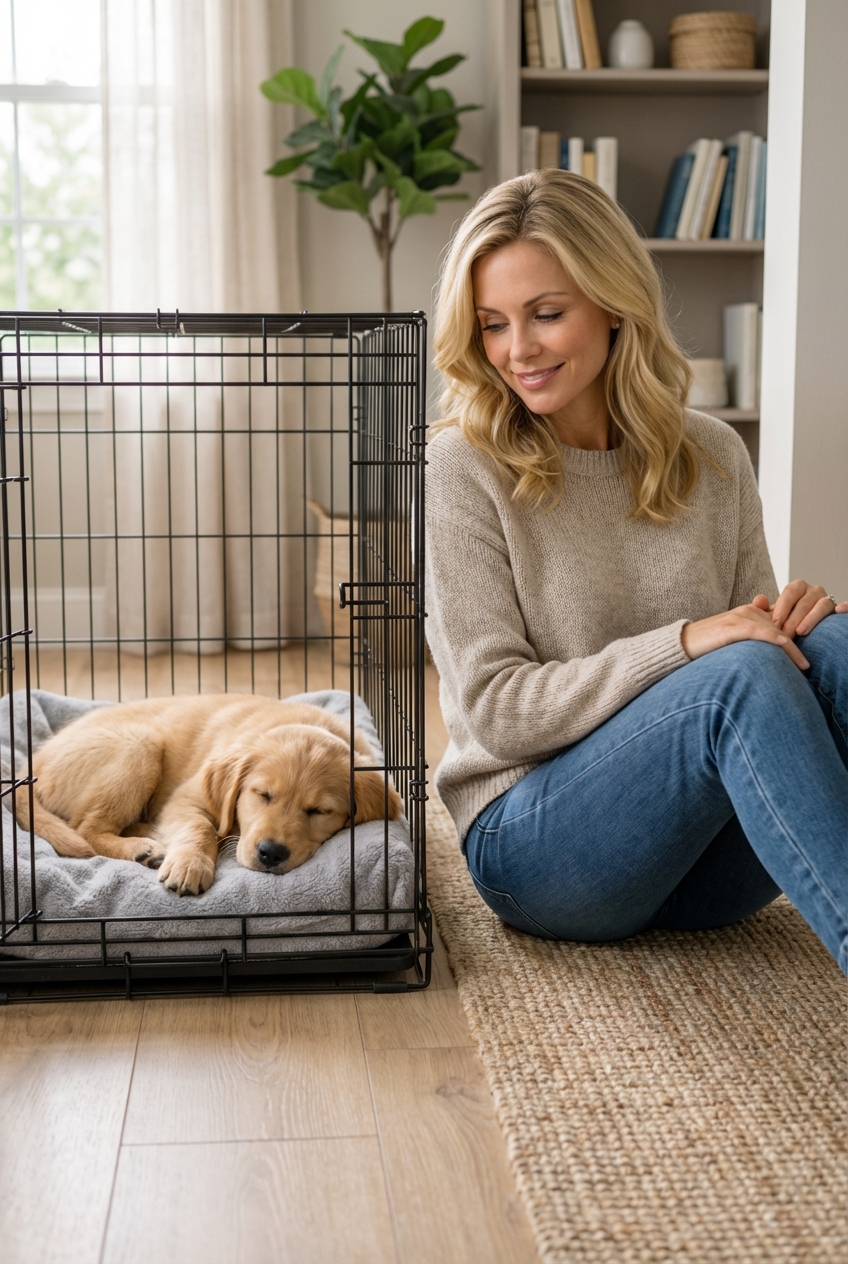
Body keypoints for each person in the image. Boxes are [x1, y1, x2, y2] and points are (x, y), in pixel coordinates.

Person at [426, 168, 847, 972]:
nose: (519, 351)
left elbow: (761, 648)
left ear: (615, 304)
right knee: (740, 679)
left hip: (700, 869)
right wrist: (687, 642)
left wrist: (797, 622)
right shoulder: (459, 468)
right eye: (492, 325)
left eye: (546, 314)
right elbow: (497, 713)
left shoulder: (713, 453)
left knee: (831, 649)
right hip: (536, 849)